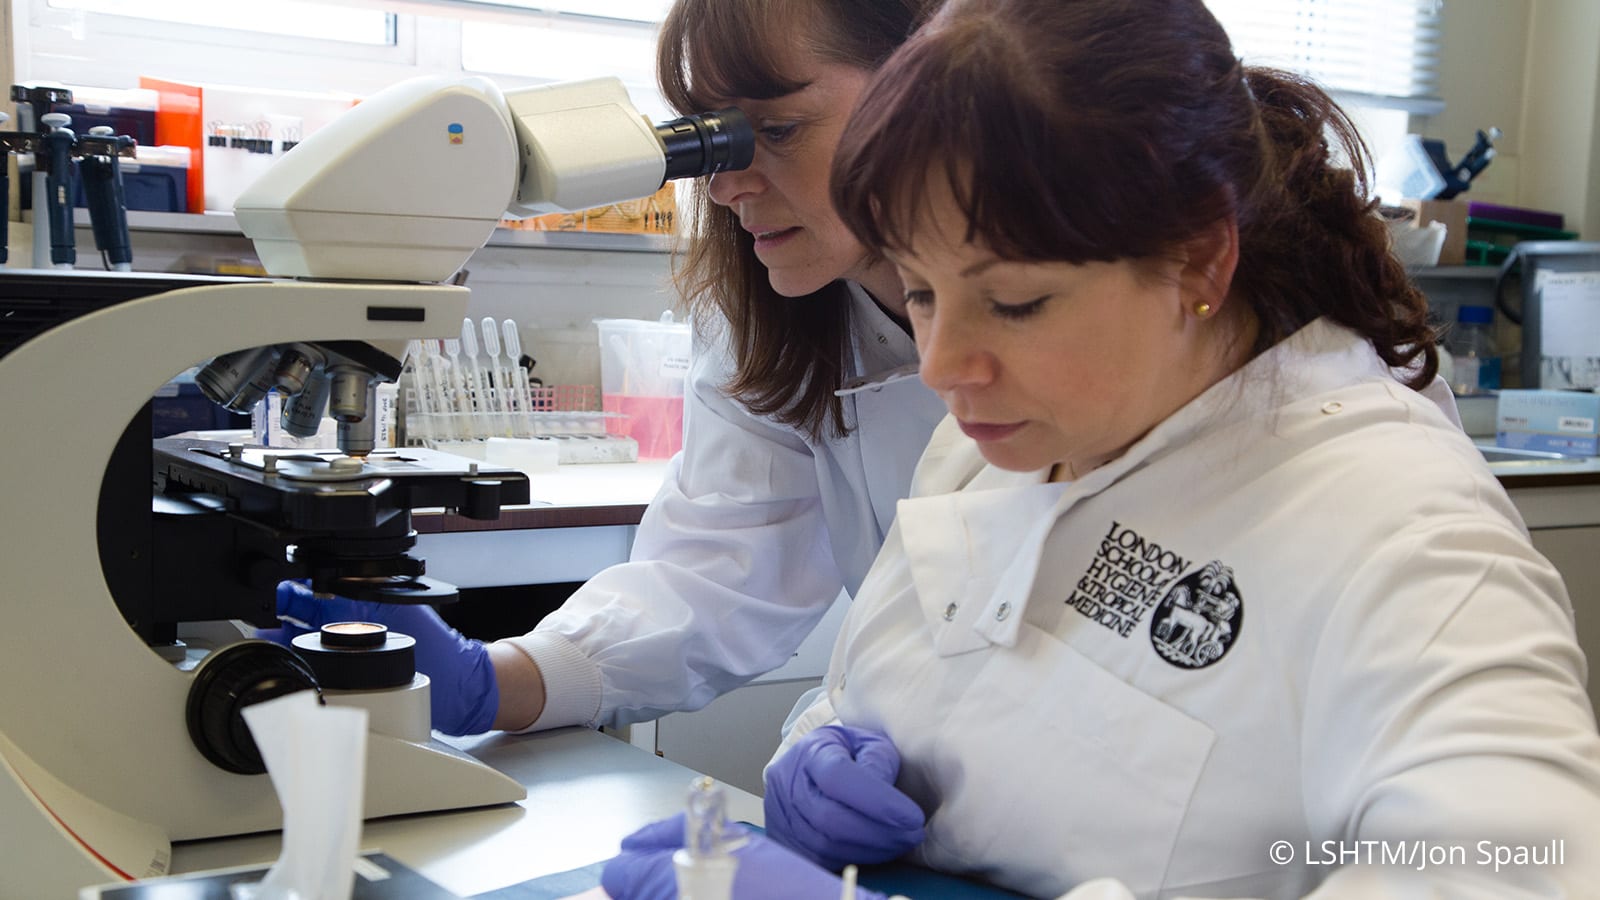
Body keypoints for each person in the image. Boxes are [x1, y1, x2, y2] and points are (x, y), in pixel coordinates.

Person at [600, 0, 1600, 897]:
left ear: (1200, 257)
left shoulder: (1398, 530)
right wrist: (822, 747)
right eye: (918, 292)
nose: (943, 366)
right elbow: (897, 690)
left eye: (1016, 302)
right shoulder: (991, 444)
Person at [265, 0, 948, 737]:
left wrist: (839, 728)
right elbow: (715, 575)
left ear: (937, 85)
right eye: (716, 143)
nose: (724, 186)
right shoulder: (772, 320)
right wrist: (497, 681)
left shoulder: (1073, 311)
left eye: (777, 129)